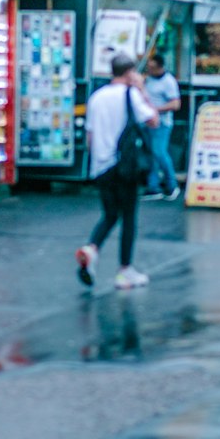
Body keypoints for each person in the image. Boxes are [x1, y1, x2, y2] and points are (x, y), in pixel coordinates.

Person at [76, 52, 158, 291]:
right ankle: (125, 271)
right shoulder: (131, 94)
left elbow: (90, 136)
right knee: (130, 216)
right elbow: (153, 120)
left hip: (101, 165)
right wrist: (142, 90)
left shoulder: (96, 97)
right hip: (124, 165)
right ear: (130, 72)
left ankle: (92, 250)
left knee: (111, 214)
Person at [142, 51, 181, 200]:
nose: (149, 70)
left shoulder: (168, 82)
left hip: (162, 122)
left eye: (152, 67)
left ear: (160, 67)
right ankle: (153, 187)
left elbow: (175, 104)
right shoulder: (149, 79)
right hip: (148, 122)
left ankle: (172, 185)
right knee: (152, 153)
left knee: (159, 152)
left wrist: (155, 110)